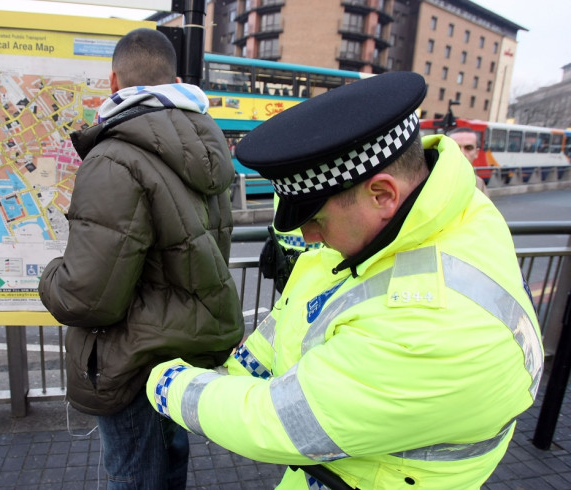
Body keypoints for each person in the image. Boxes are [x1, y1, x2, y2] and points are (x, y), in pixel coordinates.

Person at [145, 72, 544, 489]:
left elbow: (279, 420)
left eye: (316, 219)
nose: (308, 238)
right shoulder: (445, 210)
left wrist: (166, 381)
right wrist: (240, 370)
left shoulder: (430, 325)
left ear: (383, 195)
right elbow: (297, 311)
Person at [39, 28, 244, 489]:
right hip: (184, 352)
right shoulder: (206, 145)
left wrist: (49, 277)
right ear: (172, 78)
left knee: (133, 474)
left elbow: (90, 298)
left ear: (114, 81)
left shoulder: (115, 158)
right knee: (170, 464)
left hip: (132, 356)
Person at [446, 126, 488, 192]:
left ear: (476, 153)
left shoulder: (479, 183)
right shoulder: (431, 178)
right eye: (456, 147)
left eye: (468, 148)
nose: (462, 153)